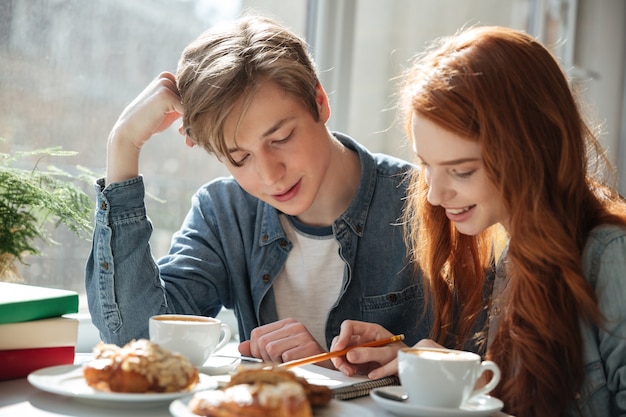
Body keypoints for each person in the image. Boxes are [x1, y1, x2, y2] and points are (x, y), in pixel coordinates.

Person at [85, 13, 430, 365]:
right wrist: (123, 145)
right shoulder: (224, 214)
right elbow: (137, 342)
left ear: (320, 101)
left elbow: (476, 368)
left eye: (280, 138)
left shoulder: (426, 202)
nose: (269, 175)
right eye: (239, 158)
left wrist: (330, 366)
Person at [329, 25, 626, 416]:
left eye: (462, 171)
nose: (434, 196)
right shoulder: (517, 253)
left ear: (531, 152)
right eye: (427, 166)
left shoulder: (611, 258)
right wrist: (430, 368)